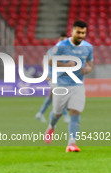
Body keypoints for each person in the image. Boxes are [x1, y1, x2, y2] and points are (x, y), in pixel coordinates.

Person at [44, 20, 93, 152]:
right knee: (57, 114)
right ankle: (51, 126)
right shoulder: (61, 46)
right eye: (78, 32)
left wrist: (87, 69)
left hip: (77, 85)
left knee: (75, 112)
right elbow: (49, 61)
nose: (81, 35)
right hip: (62, 84)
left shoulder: (88, 47)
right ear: (72, 32)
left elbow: (90, 62)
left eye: (83, 33)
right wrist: (66, 66)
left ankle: (72, 143)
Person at [35, 33, 70, 123]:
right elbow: (44, 62)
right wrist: (46, 74)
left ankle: (40, 113)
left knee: (52, 96)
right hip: (52, 77)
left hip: (60, 77)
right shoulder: (53, 51)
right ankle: (66, 116)